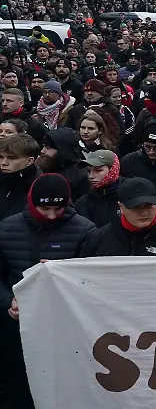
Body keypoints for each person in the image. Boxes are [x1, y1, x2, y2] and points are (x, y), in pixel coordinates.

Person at [0, 174, 94, 409]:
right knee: (14, 384)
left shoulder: (84, 230)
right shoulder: (7, 229)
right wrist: (7, 300)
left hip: (63, 327)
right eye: (45, 208)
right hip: (16, 326)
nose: (52, 215)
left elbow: (90, 280)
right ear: (32, 202)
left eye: (58, 208)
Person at [78, 177, 156, 257]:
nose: (144, 213)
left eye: (149, 206)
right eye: (136, 207)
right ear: (121, 207)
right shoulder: (99, 239)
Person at [37, 127, 89, 200]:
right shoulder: (47, 166)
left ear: (62, 150)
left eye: (48, 147)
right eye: (43, 146)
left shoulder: (81, 175)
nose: (42, 151)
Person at [75, 149, 122, 227]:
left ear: (113, 169)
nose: (91, 176)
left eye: (98, 170)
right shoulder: (83, 203)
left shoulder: (129, 195)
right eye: (88, 171)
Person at [0, 134, 40, 219]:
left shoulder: (40, 187)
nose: (4, 162)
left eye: (12, 158)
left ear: (29, 161)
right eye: (1, 157)